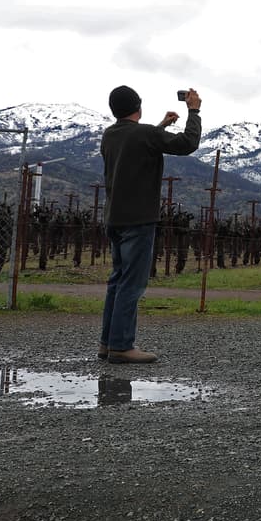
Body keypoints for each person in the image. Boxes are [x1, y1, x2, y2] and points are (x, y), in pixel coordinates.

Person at [99, 85, 202, 364]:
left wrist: (161, 126)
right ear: (138, 106)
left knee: (117, 281)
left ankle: (108, 343)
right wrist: (193, 110)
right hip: (138, 219)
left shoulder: (110, 135)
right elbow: (188, 143)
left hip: (114, 218)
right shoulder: (146, 134)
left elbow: (137, 147)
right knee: (132, 285)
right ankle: (122, 346)